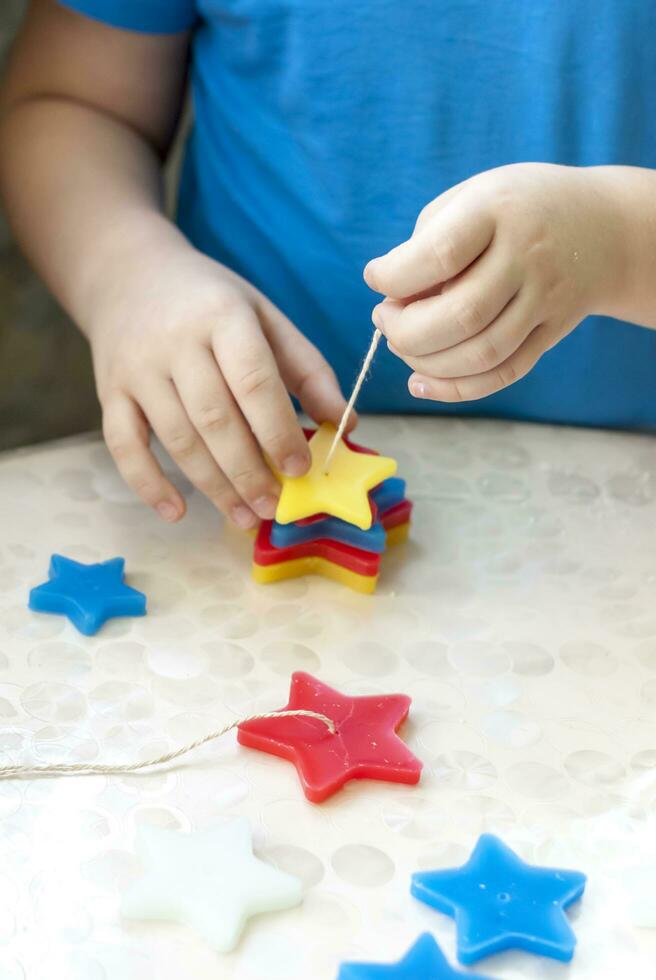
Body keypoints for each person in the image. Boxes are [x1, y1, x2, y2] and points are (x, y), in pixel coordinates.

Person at [1, 1, 655, 530]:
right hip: (238, 488)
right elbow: (72, 104)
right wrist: (128, 276)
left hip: (624, 517)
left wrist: (619, 241)